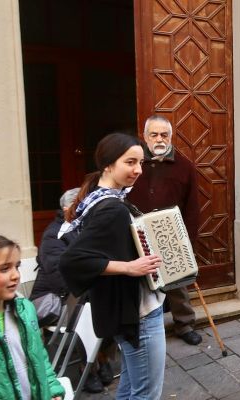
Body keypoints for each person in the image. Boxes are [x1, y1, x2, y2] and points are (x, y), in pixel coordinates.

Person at [59, 133, 166, 399]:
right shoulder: (111, 208)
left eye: (141, 163)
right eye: (130, 162)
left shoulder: (102, 198)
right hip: (138, 314)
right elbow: (73, 260)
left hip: (124, 311)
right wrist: (130, 267)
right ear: (108, 164)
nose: (138, 170)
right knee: (146, 394)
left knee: (131, 387)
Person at [29, 188, 117, 393]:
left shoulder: (86, 227)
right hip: (54, 298)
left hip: (84, 291)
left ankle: (101, 356)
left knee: (109, 301)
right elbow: (60, 277)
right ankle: (88, 367)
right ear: (67, 209)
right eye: (81, 206)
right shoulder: (53, 234)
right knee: (85, 309)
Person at [126, 115, 202, 346]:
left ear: (170, 136)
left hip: (170, 234)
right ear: (145, 136)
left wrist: (187, 240)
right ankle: (135, 323)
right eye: (154, 134)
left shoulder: (184, 166)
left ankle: (185, 323)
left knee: (177, 281)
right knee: (136, 281)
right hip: (136, 231)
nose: (159, 139)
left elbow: (192, 206)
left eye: (164, 135)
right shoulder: (133, 162)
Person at [0, 235, 65, 400]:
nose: (15, 275)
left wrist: (52, 389)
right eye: (4, 269)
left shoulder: (25, 309)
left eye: (17, 266)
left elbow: (39, 355)